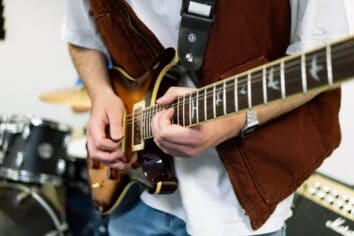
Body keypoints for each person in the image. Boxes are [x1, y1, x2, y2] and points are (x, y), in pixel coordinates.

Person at [62, 0, 353, 235]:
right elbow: (81, 37)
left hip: (239, 210)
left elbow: (322, 58)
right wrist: (102, 94)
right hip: (135, 200)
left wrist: (235, 120)